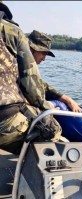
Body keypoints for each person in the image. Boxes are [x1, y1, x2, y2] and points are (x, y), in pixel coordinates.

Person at [0, 1, 62, 155]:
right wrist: (47, 108)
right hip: (5, 123)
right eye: (43, 53)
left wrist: (63, 97)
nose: (44, 58)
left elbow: (40, 85)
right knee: (52, 129)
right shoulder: (11, 31)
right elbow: (32, 84)